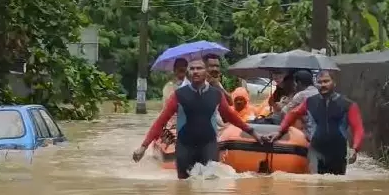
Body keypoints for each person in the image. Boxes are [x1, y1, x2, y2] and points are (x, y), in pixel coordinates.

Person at [133, 58, 264, 179]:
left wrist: (252, 132)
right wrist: (143, 147)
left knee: (211, 185)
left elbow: (232, 117)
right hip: (185, 146)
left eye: (199, 68)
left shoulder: (216, 95)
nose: (195, 71)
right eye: (192, 68)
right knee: (184, 189)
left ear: (206, 72)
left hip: (209, 145)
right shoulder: (178, 95)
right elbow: (161, 121)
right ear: (188, 72)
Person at [267, 70, 364, 175]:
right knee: (315, 183)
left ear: (334, 82)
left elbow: (358, 128)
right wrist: (280, 132)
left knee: (336, 186)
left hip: (338, 152)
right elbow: (292, 114)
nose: (322, 85)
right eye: (319, 82)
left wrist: (355, 148)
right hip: (316, 149)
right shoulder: (310, 102)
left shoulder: (348, 105)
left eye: (326, 81)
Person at [282, 70, 319, 139]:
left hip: (306, 132)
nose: (294, 86)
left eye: (294, 83)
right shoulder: (319, 92)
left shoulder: (301, 95)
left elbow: (284, 111)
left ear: (298, 83)